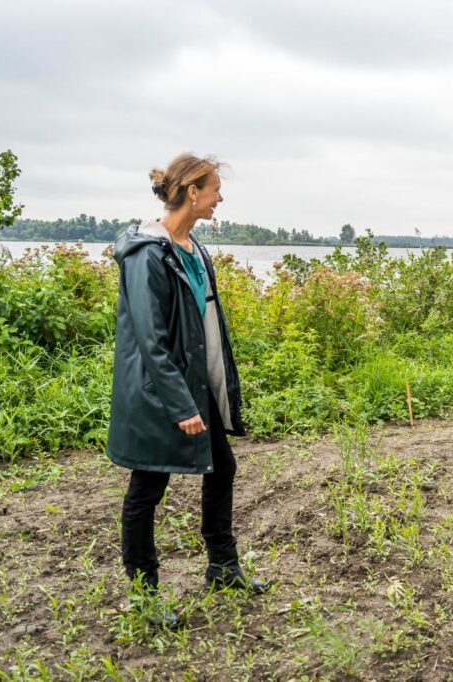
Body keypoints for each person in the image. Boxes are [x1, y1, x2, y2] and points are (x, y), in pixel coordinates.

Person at [107, 154, 271, 625]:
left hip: (195, 388)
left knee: (222, 469)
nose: (221, 196)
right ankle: (143, 593)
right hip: (158, 394)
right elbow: (150, 337)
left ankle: (223, 567)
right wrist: (179, 404)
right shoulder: (147, 254)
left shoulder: (192, 248)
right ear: (192, 192)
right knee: (147, 488)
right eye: (215, 187)